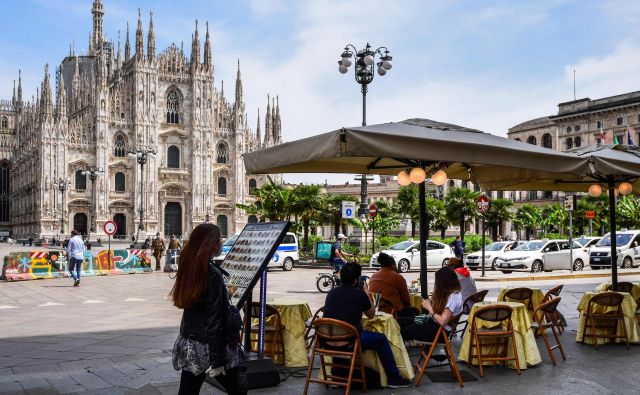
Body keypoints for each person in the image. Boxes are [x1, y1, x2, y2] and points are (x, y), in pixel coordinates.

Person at [171, 224, 246, 395]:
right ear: (212, 245)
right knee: (239, 390)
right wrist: (219, 360)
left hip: (190, 342)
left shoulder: (190, 267)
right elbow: (214, 320)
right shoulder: (211, 273)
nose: (221, 243)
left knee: (188, 391)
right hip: (209, 347)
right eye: (219, 240)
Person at [323, 262, 412, 388]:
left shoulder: (331, 293)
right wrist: (365, 291)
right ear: (356, 280)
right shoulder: (359, 294)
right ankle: (393, 378)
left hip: (327, 341)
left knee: (343, 332)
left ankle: (338, 374)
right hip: (350, 342)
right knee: (381, 339)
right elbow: (371, 314)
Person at [401, 267, 464, 342]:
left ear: (444, 282)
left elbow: (443, 321)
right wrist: (433, 302)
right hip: (437, 328)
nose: (436, 284)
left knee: (403, 331)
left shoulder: (453, 297)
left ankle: (399, 352)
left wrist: (429, 307)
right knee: (404, 322)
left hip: (440, 333)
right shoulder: (455, 293)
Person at [369, 252, 420, 318]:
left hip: (374, 310)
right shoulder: (398, 277)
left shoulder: (373, 276)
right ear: (393, 265)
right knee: (414, 310)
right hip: (391, 311)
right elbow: (406, 300)